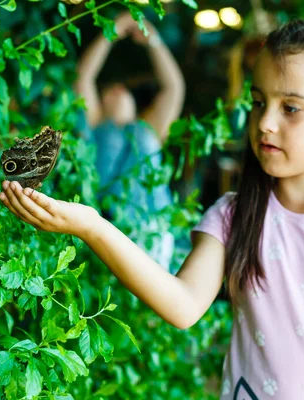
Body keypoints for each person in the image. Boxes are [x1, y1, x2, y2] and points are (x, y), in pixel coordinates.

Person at [0, 20, 304, 399]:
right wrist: (92, 227)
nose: (265, 122)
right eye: (258, 103)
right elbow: (183, 306)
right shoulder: (234, 215)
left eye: (290, 108)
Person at [74, 13, 185, 272]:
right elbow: (84, 77)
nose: (118, 89)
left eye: (123, 88)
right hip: (109, 234)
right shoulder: (95, 126)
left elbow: (174, 87)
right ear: (100, 102)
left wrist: (153, 40)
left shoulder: (151, 129)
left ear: (136, 104)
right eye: (110, 89)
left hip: (153, 231)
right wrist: (110, 32)